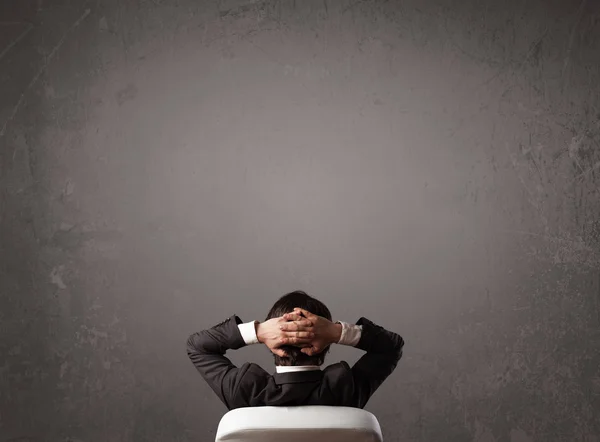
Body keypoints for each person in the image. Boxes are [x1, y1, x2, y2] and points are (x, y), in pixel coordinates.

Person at [186, 290, 405, 410]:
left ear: (273, 342)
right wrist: (337, 332)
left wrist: (258, 331)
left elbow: (197, 346)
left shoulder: (243, 390)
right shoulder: (346, 388)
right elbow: (391, 346)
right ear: (324, 346)